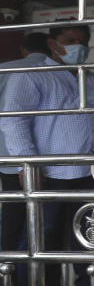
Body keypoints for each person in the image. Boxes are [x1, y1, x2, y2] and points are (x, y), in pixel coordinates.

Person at [0, 23, 94, 286]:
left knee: (89, 229)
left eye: (82, 41)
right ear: (52, 44)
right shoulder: (31, 77)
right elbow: (13, 120)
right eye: (70, 40)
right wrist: (27, 164)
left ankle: (88, 283)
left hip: (89, 170)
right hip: (48, 172)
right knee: (41, 237)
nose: (78, 46)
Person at [0, 33, 52, 261]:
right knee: (38, 217)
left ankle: (8, 270)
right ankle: (28, 268)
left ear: (23, 49)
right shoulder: (53, 70)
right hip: (37, 156)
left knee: (12, 215)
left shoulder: (4, 69)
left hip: (7, 155)